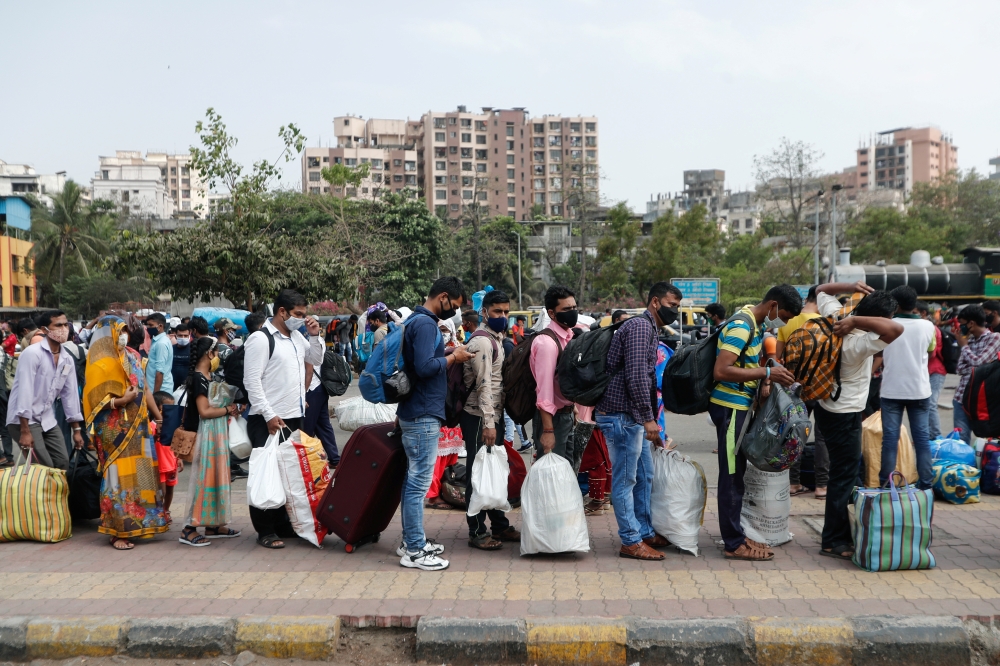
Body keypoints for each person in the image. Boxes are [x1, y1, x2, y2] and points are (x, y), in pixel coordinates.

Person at [710, 285, 802, 561]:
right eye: (783, 315)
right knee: (731, 476)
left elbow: (748, 364)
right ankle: (733, 543)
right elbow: (721, 369)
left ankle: (736, 534)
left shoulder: (756, 324)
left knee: (736, 475)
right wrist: (767, 371)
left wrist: (765, 373)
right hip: (730, 409)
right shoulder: (742, 325)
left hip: (740, 408)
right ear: (773, 305)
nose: (783, 322)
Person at [811, 284, 902, 560]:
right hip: (844, 414)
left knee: (845, 472)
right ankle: (833, 540)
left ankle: (839, 531)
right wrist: (856, 321)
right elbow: (896, 330)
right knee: (843, 476)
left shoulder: (836, 316)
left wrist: (849, 288)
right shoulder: (858, 341)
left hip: (827, 407)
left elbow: (821, 291)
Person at [597, 282, 683, 560]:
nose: (675, 311)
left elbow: (646, 379)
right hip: (621, 415)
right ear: (655, 302)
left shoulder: (650, 329)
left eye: (678, 307)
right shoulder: (640, 328)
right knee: (625, 481)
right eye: (672, 305)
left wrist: (652, 421)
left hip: (633, 416)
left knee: (644, 475)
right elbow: (635, 376)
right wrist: (648, 420)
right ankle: (630, 540)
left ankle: (644, 530)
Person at [396, 276, 473, 571]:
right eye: (453, 305)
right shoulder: (427, 323)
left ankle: (410, 540)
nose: (453, 311)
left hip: (414, 411)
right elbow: (426, 367)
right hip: (423, 414)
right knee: (418, 483)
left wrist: (448, 353)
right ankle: (415, 550)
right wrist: (454, 356)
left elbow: (421, 360)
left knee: (411, 481)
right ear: (442, 297)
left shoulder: (415, 320)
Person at [243, 289, 324, 549]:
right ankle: (264, 530)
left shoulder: (297, 338)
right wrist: (268, 414)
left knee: (288, 473)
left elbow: (316, 358)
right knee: (266, 472)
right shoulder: (260, 339)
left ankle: (282, 524)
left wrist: (315, 335)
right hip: (268, 418)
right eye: (298, 314)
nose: (302, 319)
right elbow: (251, 382)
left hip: (294, 416)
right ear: (282, 312)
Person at [83, 314, 169, 549]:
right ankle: (118, 531)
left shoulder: (133, 356)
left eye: (125, 331)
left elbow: (146, 389)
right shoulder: (99, 362)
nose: (123, 335)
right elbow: (93, 401)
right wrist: (122, 401)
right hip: (114, 431)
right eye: (118, 330)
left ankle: (143, 522)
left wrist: (159, 417)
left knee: (141, 472)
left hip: (139, 427)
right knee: (118, 476)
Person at [461, 289, 520, 550]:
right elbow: (484, 386)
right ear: (484, 312)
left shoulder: (497, 338)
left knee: (495, 471)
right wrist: (488, 423)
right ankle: (477, 531)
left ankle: (499, 525)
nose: (503, 316)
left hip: (493, 414)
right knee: (477, 472)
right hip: (478, 416)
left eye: (506, 312)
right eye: (497, 312)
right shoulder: (482, 341)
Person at [178, 337, 242, 547]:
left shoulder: (208, 376)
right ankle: (189, 528)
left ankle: (214, 524)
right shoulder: (198, 378)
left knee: (216, 477)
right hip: (206, 436)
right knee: (203, 480)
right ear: (209, 353)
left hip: (216, 435)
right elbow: (204, 411)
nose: (218, 356)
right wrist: (227, 410)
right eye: (216, 351)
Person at [6, 310, 85, 470]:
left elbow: (69, 396)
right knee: (44, 468)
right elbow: (24, 391)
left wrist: (76, 430)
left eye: (65, 324)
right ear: (44, 329)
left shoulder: (66, 358)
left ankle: (57, 495)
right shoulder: (32, 354)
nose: (63, 329)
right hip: (24, 420)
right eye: (58, 325)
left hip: (47, 419)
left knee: (62, 463)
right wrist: (25, 430)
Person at [879, 285, 937, 490]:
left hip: (891, 390)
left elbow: (878, 353)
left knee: (890, 440)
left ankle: (886, 485)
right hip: (920, 390)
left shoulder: (886, 325)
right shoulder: (928, 326)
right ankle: (926, 485)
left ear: (895, 304)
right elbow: (930, 353)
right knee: (921, 439)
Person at [776, 286, 830, 500]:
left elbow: (778, 357)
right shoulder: (828, 322)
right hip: (822, 388)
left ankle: (794, 483)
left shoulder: (787, 320)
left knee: (795, 434)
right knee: (822, 438)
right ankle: (822, 487)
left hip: (794, 387)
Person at [530, 285, 580, 464]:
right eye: (566, 309)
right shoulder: (547, 343)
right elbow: (544, 391)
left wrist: (571, 407)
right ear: (552, 313)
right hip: (553, 420)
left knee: (566, 473)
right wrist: (548, 431)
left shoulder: (567, 337)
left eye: (574, 308)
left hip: (565, 415)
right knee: (551, 476)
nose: (572, 312)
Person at [425, 318, 465, 510]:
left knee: (451, 457)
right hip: (440, 410)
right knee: (437, 458)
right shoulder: (433, 354)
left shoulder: (459, 349)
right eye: (439, 330)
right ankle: (433, 496)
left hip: (453, 414)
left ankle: (445, 489)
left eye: (445, 330)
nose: (443, 333)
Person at [952, 305, 1000, 443]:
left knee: (986, 439)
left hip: (983, 399)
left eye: (962, 324)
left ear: (971, 323)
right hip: (961, 397)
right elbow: (960, 368)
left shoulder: (995, 338)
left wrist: (965, 347)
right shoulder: (969, 339)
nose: (961, 328)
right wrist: (979, 369)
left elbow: (979, 363)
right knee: (961, 440)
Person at [917, 301, 948, 439]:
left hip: (936, 371)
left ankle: (936, 435)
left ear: (923, 313)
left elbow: (932, 353)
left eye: (914, 312)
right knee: (925, 403)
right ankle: (928, 434)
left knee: (931, 403)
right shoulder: (922, 327)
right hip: (927, 371)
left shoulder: (931, 328)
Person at [153, 391, 181, 523]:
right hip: (160, 465)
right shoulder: (151, 425)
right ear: (157, 407)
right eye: (167, 407)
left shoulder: (172, 424)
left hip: (171, 463)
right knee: (161, 491)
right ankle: (160, 513)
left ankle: (166, 510)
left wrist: (178, 458)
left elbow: (176, 443)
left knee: (170, 489)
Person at [144, 313, 174, 394]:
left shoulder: (161, 344)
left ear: (160, 326)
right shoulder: (159, 341)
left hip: (160, 390)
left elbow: (160, 372)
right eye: (148, 325)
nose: (148, 328)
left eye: (151, 325)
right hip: (157, 388)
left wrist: (156, 395)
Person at [171, 323, 192, 388]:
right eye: (180, 335)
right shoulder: (171, 349)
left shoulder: (193, 349)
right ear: (176, 335)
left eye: (185, 336)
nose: (183, 338)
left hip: (188, 386)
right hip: (172, 385)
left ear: (189, 335)